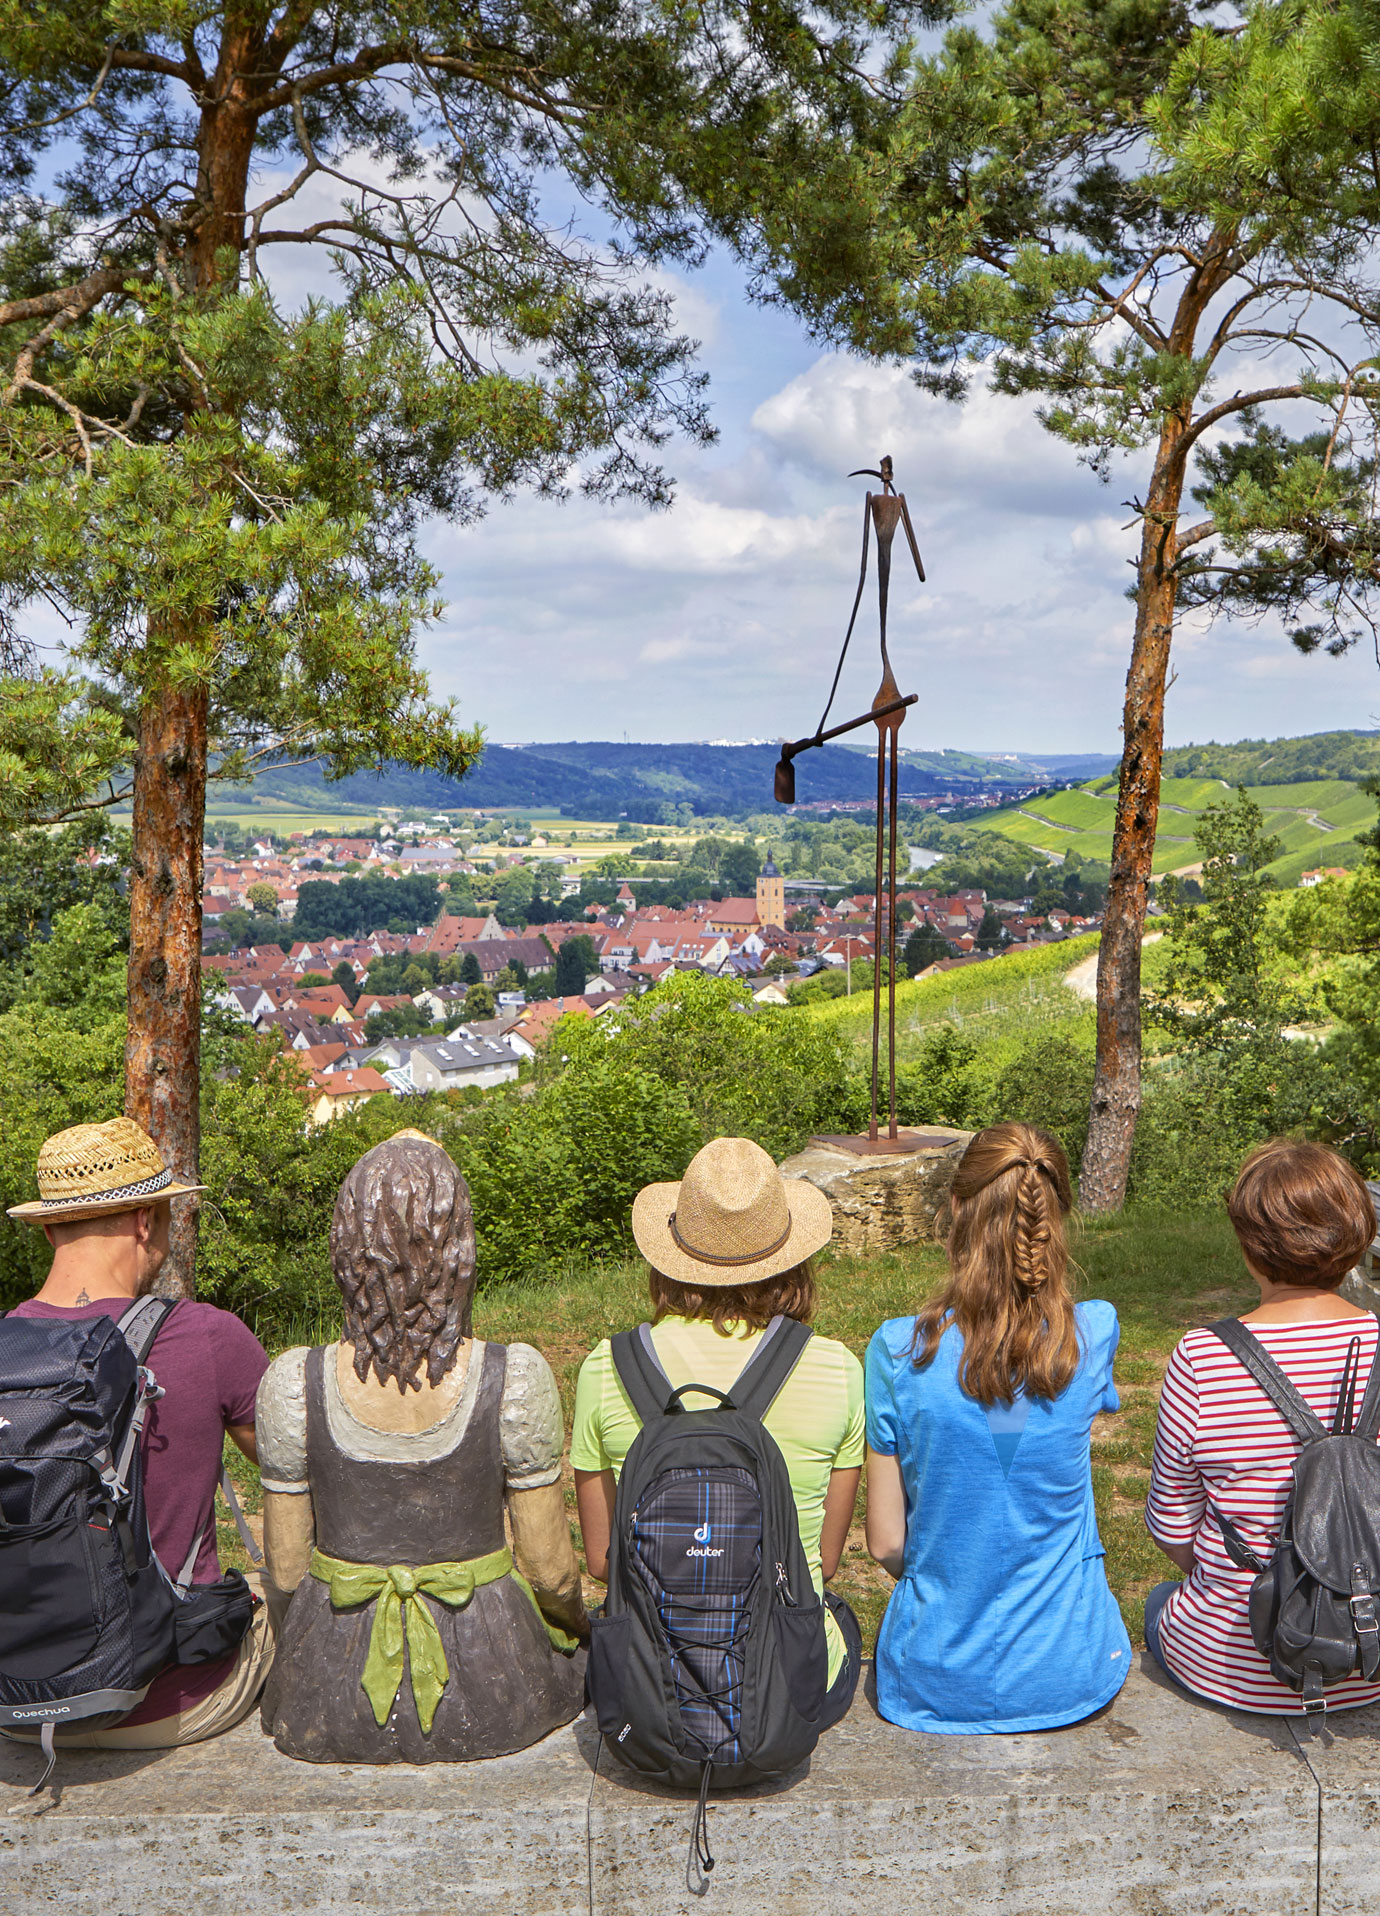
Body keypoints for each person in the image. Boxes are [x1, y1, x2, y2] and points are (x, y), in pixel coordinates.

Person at [256, 1131, 587, 1763]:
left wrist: (308, 1654)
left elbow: (289, 1571)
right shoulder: (513, 1374)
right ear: (459, 1247)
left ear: (345, 1248)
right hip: (494, 1679)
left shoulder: (292, 1381)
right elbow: (550, 1570)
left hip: (331, 1687)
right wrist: (573, 1630)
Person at [573, 1135, 865, 1727]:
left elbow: (606, 1564)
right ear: (792, 1257)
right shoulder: (837, 1367)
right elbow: (826, 1562)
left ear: (670, 1258)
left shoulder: (607, 1367)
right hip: (791, 1689)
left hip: (650, 1695)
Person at [4, 1116, 273, 1747]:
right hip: (167, 1704)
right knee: (275, 1602)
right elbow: (297, 1473)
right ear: (146, 1220)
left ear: (47, 1227)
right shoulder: (207, 1335)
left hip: (15, 1709)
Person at [864, 1122, 1130, 1734]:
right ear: (1054, 1215)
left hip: (934, 1678)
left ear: (956, 1208)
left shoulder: (897, 1351)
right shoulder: (1093, 1333)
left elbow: (885, 1544)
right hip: (1071, 1669)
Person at [1144, 1137, 1380, 1714]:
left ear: (1249, 1246)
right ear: (1356, 1242)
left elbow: (1173, 1530)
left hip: (1236, 1666)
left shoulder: (1203, 1358)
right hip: (1371, 1655)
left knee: (1157, 1600)